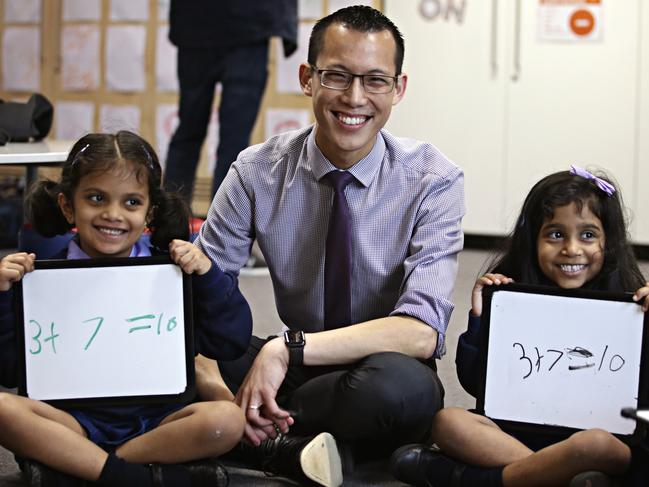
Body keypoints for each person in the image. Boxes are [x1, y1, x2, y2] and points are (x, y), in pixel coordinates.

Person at [195, 5, 465, 486]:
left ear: (398, 89)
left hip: (377, 369)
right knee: (179, 355)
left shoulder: (433, 179)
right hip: (298, 372)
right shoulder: (256, 171)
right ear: (308, 78)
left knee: (400, 391)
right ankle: (286, 444)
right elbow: (199, 297)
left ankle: (258, 437)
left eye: (375, 81)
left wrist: (286, 349)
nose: (355, 97)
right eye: (337, 76)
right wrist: (219, 397)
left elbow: (422, 331)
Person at [0, 131, 253, 486]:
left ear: (150, 212)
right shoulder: (37, 275)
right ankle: (143, 477)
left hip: (157, 422)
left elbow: (230, 341)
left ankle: (84, 468)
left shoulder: (174, 271)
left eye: (131, 203)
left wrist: (208, 276)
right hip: (70, 422)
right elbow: (9, 372)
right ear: (68, 206)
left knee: (225, 421)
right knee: (3, 410)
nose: (112, 214)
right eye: (96, 198)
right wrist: (2, 295)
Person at [390, 167, 649, 487]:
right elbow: (474, 382)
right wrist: (480, 317)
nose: (571, 248)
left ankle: (470, 479)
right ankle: (553, 475)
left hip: (599, 439)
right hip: (516, 435)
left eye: (588, 235)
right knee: (448, 421)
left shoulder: (633, 303)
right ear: (533, 240)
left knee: (594, 444)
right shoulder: (511, 295)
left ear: (608, 242)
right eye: (555, 234)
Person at [164, 0, 298, 203]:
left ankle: (210, 224)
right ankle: (182, 220)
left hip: (219, 25)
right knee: (221, 138)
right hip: (236, 25)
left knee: (202, 135)